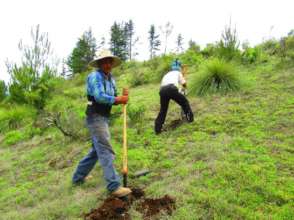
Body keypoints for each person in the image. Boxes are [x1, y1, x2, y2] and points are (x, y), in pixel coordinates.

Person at [72, 50, 132, 198]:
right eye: (104, 61)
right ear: (99, 64)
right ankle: (114, 186)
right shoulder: (94, 77)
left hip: (104, 117)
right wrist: (118, 99)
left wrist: (123, 98)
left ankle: (78, 178)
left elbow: (114, 96)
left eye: (109, 61)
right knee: (105, 149)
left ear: (111, 63)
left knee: (96, 151)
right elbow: (99, 97)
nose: (107, 64)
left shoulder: (111, 79)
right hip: (95, 117)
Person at [154, 59, 194, 134]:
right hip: (171, 89)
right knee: (184, 102)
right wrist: (185, 88)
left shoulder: (167, 74)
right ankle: (190, 119)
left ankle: (157, 129)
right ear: (179, 67)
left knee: (163, 110)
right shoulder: (178, 73)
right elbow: (184, 83)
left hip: (162, 91)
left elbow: (163, 84)